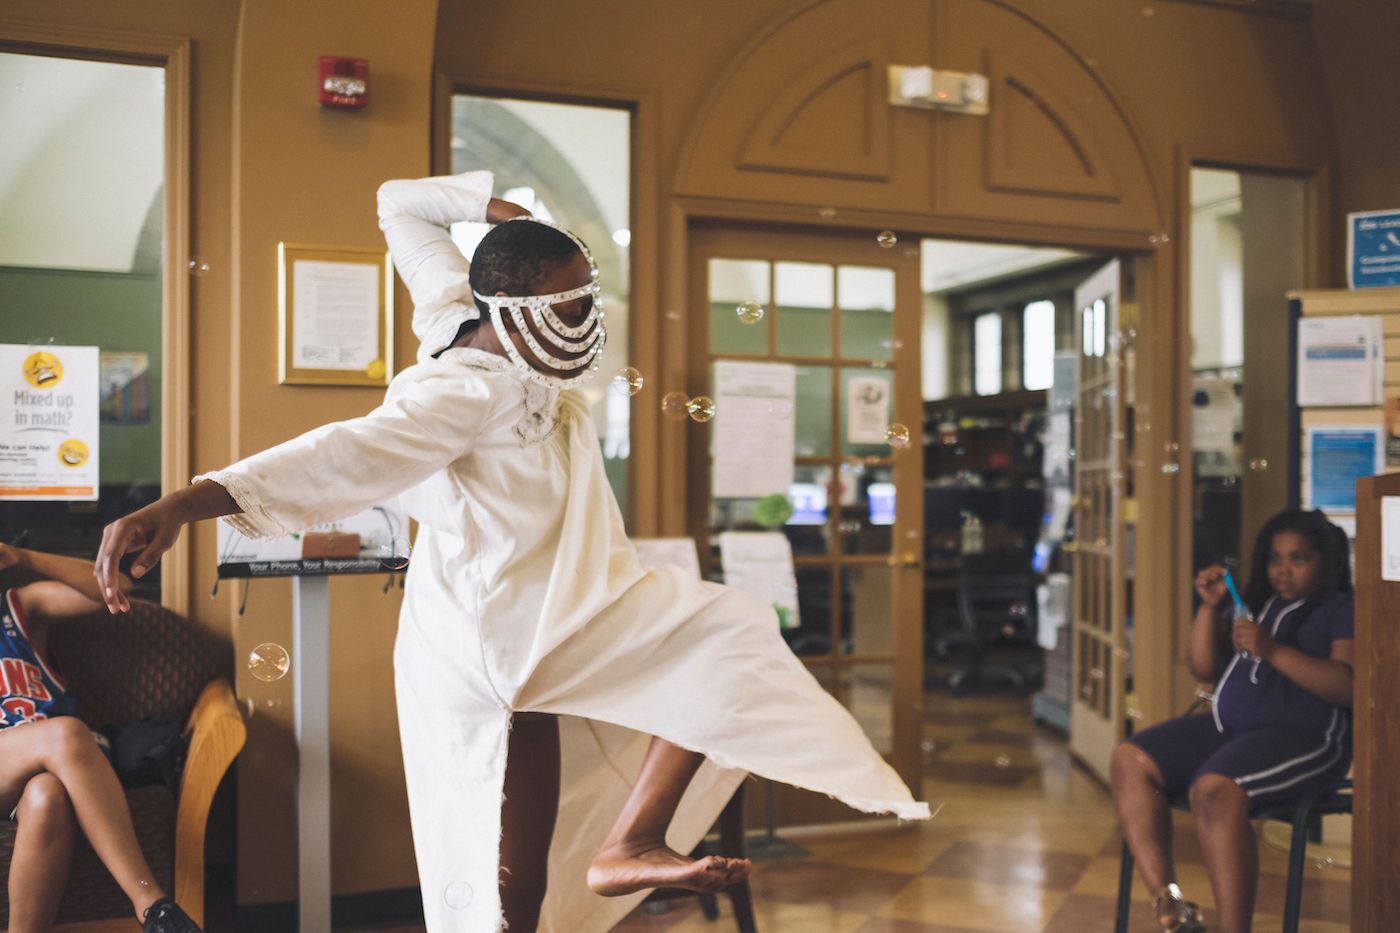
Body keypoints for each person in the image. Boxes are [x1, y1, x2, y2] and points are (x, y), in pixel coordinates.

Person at [94, 170, 929, 933]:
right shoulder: (461, 389)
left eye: (586, 298)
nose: (585, 319)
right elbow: (338, 453)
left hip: (564, 602)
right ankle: (627, 841)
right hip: (500, 629)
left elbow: (395, 201)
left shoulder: (454, 299)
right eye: (567, 307)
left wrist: (497, 211)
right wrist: (181, 503)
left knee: (708, 657)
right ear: (513, 311)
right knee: (717, 648)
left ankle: (628, 840)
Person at [1110, 510, 1353, 933]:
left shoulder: (1341, 608)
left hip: (1310, 740)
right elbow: (1202, 666)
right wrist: (1210, 608)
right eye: (1275, 558)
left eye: (1299, 559)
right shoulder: (1257, 605)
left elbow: (1347, 687)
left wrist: (1272, 651)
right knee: (1130, 758)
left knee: (1214, 791)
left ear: (1325, 560)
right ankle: (1171, 906)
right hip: (1231, 732)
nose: (1283, 570)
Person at [0, 544, 202, 933]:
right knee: (67, 733)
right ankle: (152, 905)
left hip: (53, 768)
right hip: (29, 753)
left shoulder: (20, 608)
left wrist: (24, 558)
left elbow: (116, 585)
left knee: (47, 797)